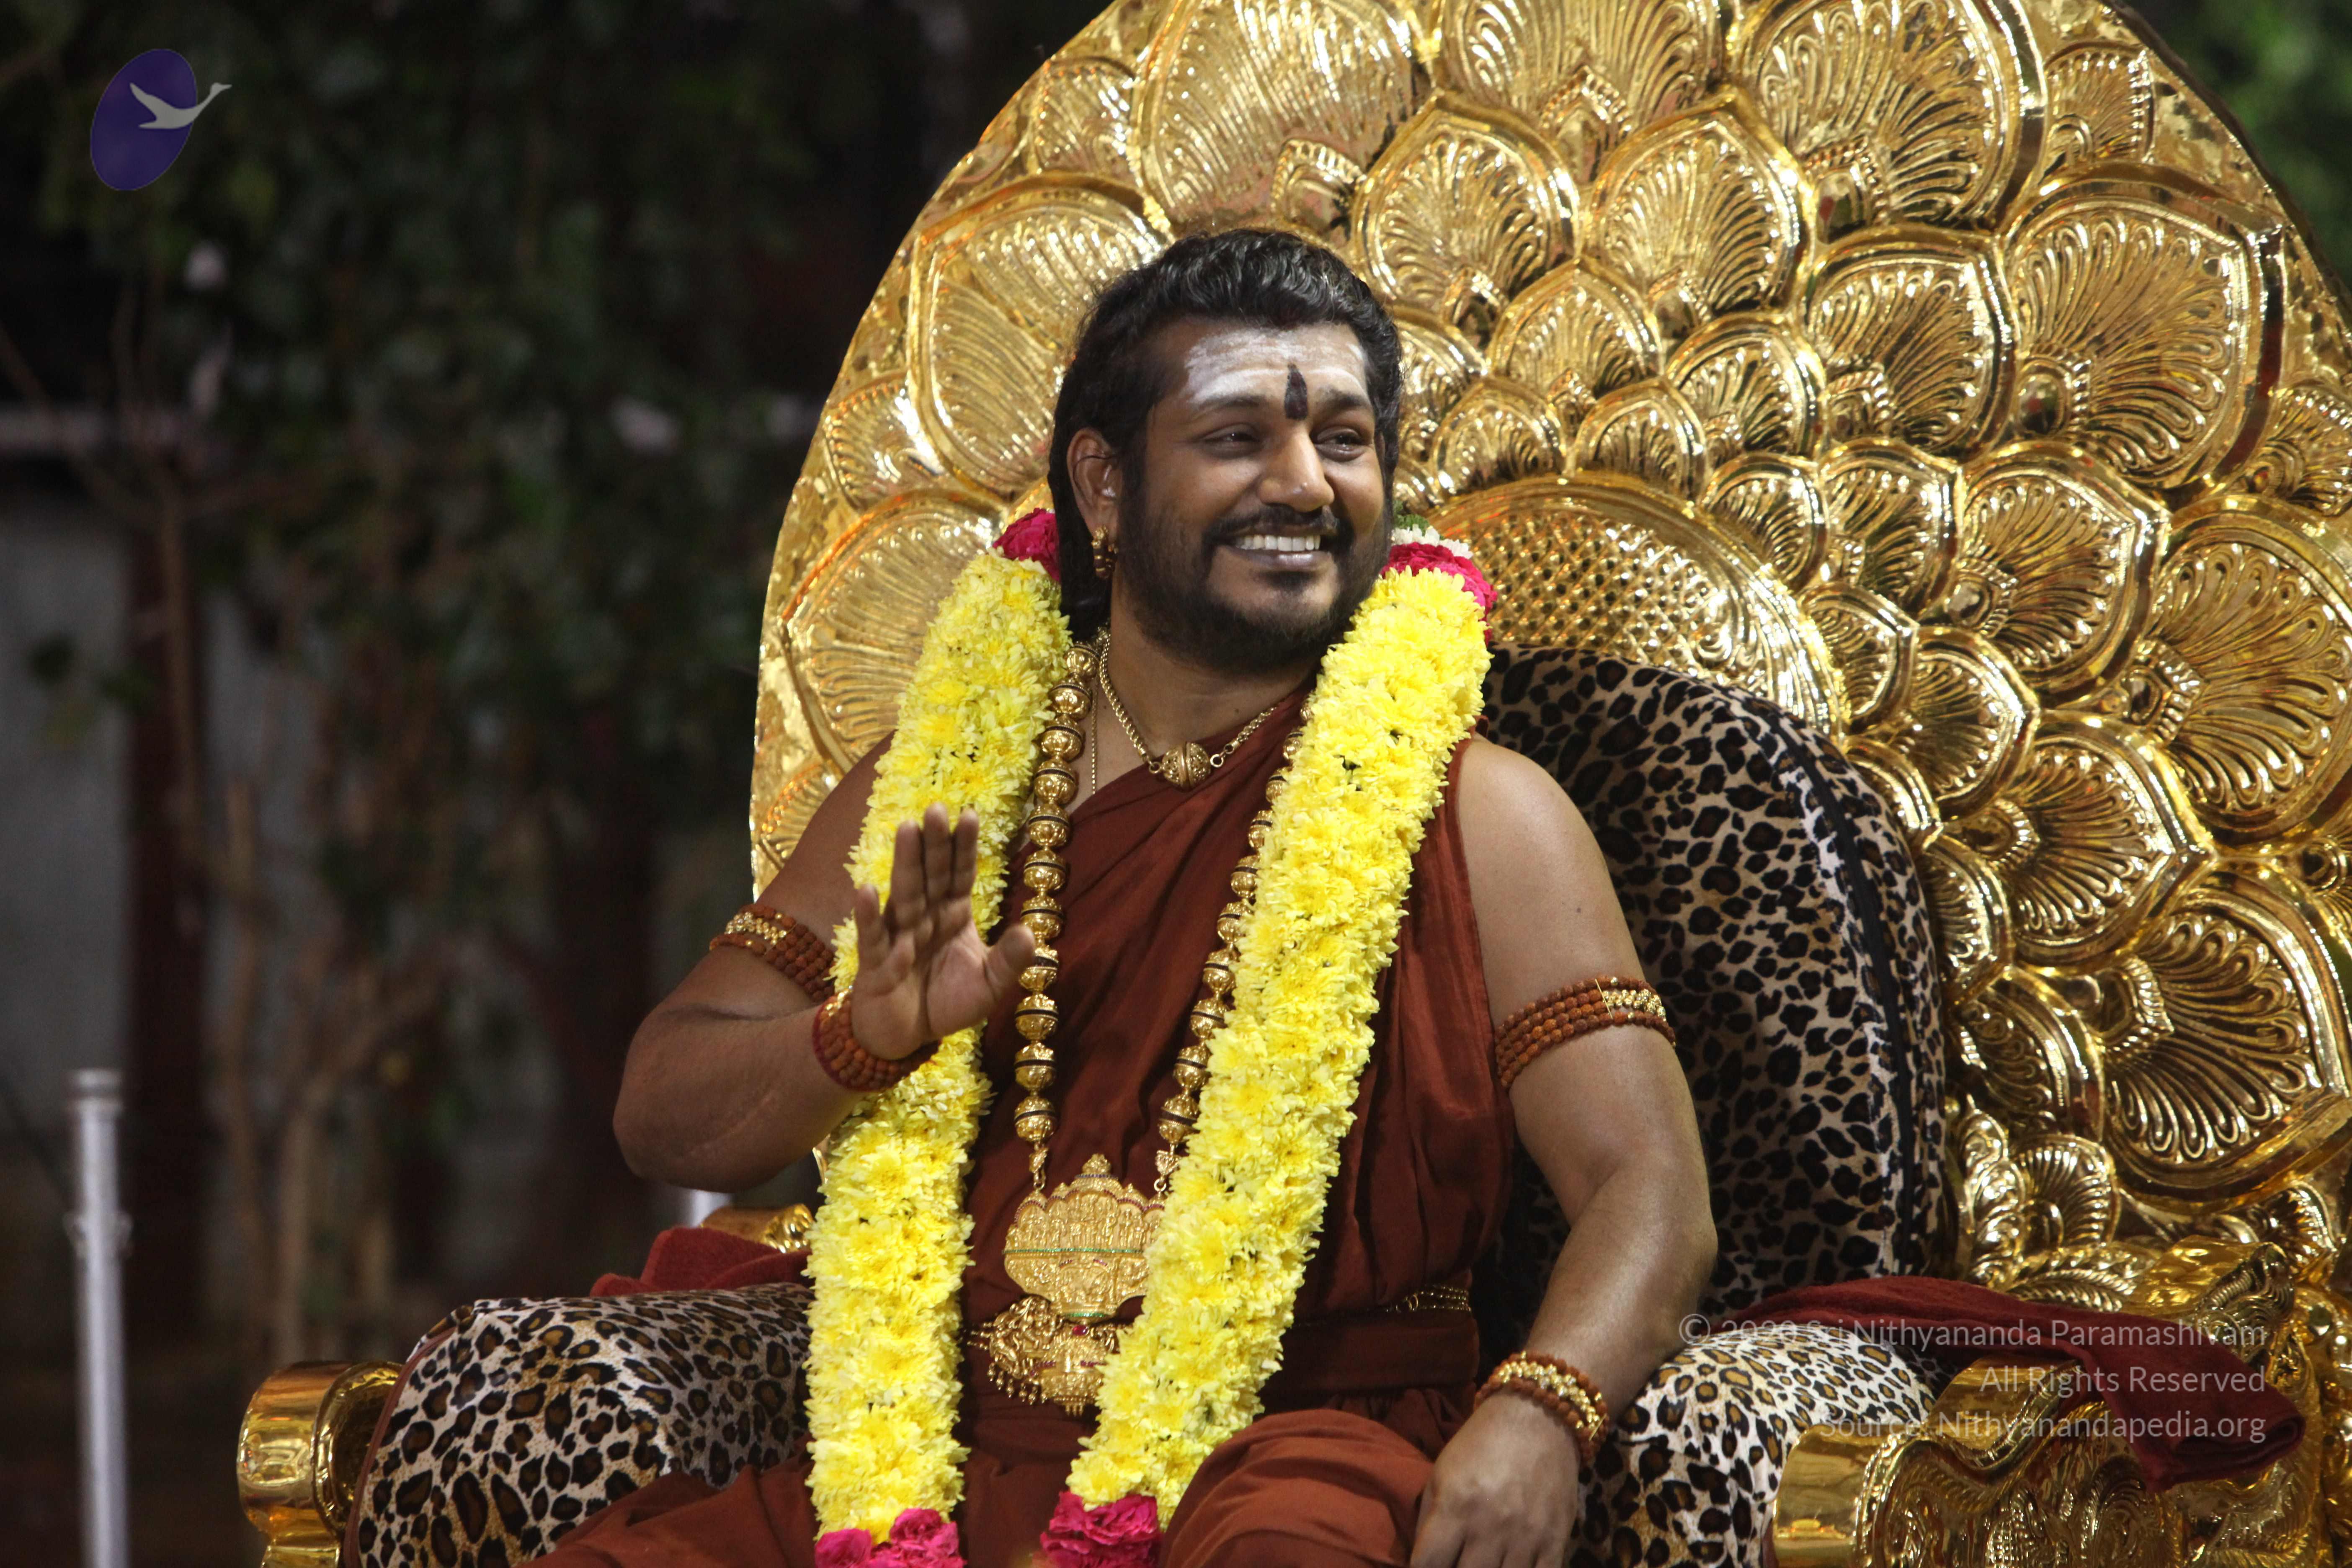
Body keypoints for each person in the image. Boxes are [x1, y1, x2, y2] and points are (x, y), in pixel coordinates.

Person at [557, 228, 1717, 1568]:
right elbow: (662, 1112)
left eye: (1344, 441)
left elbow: (1649, 1186)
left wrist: (1542, 1409)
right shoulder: (942, 788)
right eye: (1237, 438)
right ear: (1103, 484)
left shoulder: (1485, 814)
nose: (1306, 483)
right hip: (938, 1480)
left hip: (1296, 1468)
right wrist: (856, 1041)